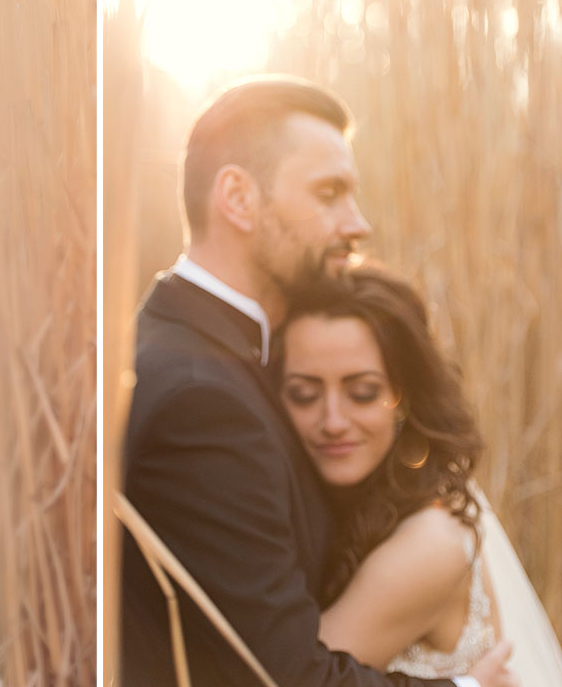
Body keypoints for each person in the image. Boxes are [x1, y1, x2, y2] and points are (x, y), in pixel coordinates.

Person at [120, 76, 516, 686]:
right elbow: (280, 677)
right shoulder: (201, 399)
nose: (357, 224)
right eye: (329, 193)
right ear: (238, 198)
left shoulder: (212, 353)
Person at [271, 266, 562, 684]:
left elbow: (281, 679)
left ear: (405, 398)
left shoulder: (430, 544)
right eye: (304, 394)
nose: (333, 420)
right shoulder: (361, 505)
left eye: (363, 392)